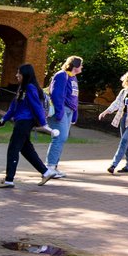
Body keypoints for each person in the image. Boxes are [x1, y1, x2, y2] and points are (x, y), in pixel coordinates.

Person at [0, 64, 58, 187]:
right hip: (21, 121)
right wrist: (4, 119)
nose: (17, 75)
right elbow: (14, 105)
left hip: (25, 122)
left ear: (26, 74)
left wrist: (44, 124)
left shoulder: (30, 88)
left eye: (19, 73)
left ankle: (9, 180)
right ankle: (46, 172)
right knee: (26, 150)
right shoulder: (23, 87)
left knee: (13, 149)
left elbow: (37, 106)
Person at [41, 55, 82, 183]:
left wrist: (75, 113)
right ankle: (49, 167)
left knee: (62, 138)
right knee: (59, 137)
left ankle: (55, 167)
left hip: (69, 111)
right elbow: (57, 94)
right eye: (81, 64)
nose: (82, 67)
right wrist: (59, 112)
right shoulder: (61, 75)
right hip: (62, 110)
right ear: (75, 65)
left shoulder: (73, 77)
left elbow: (74, 97)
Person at [98, 70, 128, 174]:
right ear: (127, 79)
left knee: (124, 141)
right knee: (127, 143)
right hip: (123, 118)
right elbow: (116, 103)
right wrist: (106, 111)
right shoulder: (123, 91)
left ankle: (113, 164)